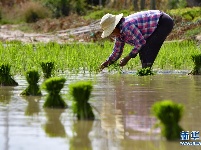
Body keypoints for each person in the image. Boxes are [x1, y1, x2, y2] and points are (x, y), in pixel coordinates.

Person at [99, 10, 174, 71]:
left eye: (111, 32)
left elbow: (141, 43)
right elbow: (117, 51)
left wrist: (127, 58)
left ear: (115, 27)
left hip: (163, 22)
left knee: (147, 49)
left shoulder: (127, 27)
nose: (112, 34)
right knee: (143, 50)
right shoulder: (119, 34)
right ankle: (146, 72)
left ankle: (146, 73)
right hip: (157, 24)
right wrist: (105, 64)